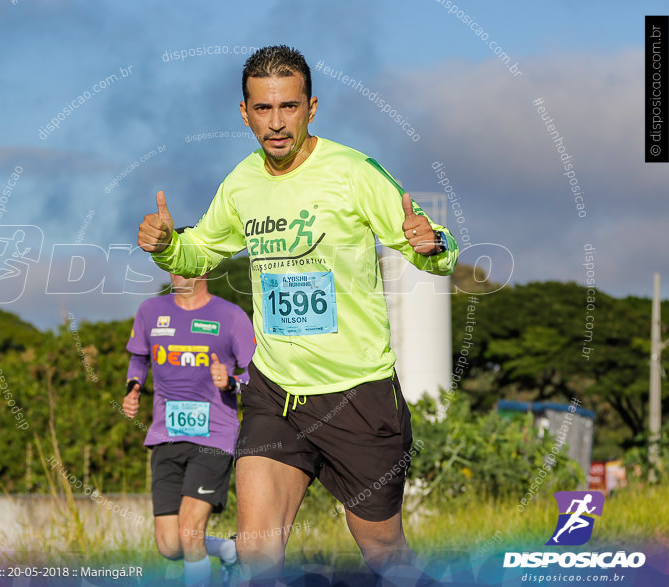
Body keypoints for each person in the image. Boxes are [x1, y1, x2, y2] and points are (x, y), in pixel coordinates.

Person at [137, 45, 458, 583]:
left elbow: (432, 247)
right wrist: (169, 246)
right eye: (263, 109)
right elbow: (203, 253)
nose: (277, 123)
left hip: (357, 394)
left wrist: (434, 243)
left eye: (289, 107)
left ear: (312, 108)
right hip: (275, 392)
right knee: (259, 553)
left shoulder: (354, 173)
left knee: (384, 553)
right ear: (245, 112)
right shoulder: (241, 183)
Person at [123, 259, 255, 586]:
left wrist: (231, 382)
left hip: (215, 437)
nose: (179, 273)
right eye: (173, 265)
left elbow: (256, 373)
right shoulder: (150, 311)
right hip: (166, 436)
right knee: (170, 544)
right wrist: (134, 387)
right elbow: (139, 357)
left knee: (189, 531)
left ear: (205, 268)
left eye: (188, 265)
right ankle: (229, 550)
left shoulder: (231, 316)